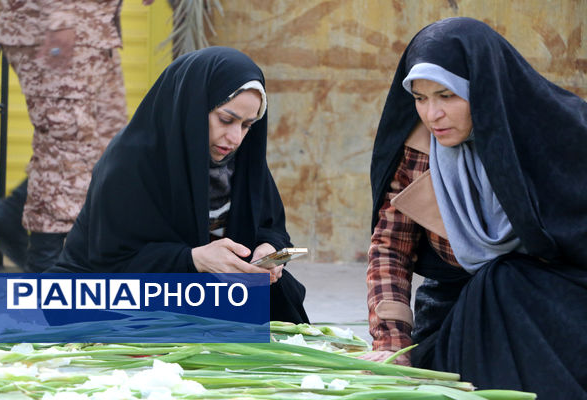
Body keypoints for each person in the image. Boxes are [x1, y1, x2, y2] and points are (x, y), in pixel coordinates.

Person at [365, 17, 586, 399]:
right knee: (496, 284)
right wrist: (391, 342)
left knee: (508, 281)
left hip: (550, 308)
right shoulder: (418, 153)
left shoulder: (556, 134)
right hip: (457, 313)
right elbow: (390, 249)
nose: (432, 114)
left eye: (447, 96)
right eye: (420, 98)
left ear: (483, 88)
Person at [49, 46, 310, 324]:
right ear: (193, 108)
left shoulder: (240, 159)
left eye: (247, 125)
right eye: (225, 119)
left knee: (277, 299)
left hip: (200, 292)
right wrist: (193, 259)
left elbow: (269, 225)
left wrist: (267, 250)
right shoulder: (132, 161)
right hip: (115, 292)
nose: (234, 138)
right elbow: (112, 262)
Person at [0, 0, 149, 271]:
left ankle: (10, 215)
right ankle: (47, 272)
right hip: (58, 23)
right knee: (67, 146)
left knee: (107, 146)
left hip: (96, 29)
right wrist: (60, 18)